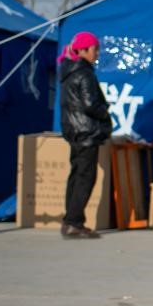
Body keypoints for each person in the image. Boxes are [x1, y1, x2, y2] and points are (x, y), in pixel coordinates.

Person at [57, 31, 112, 239]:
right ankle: (74, 222)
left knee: (76, 175)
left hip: (74, 130)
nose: (97, 53)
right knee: (85, 177)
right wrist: (104, 111)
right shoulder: (84, 72)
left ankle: (70, 220)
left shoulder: (68, 71)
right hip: (87, 131)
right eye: (94, 49)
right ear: (83, 50)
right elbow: (91, 104)